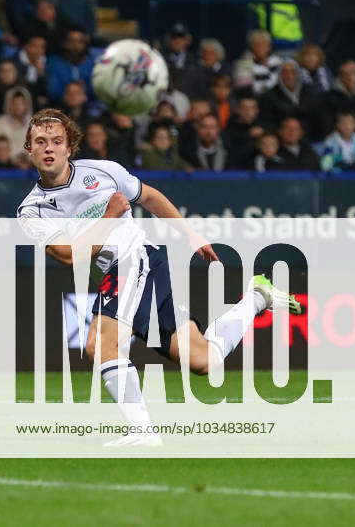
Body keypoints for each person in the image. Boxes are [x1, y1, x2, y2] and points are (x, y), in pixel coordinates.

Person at [17, 109, 299, 446]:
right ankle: (257, 297)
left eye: (57, 141)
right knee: (203, 360)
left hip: (137, 260)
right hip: (119, 272)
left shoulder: (103, 172)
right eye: (40, 142)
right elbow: (66, 254)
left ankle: (142, 431)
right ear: (29, 150)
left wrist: (191, 234)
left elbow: (149, 197)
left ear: (70, 147)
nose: (49, 148)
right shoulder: (32, 209)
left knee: (100, 344)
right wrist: (109, 215)